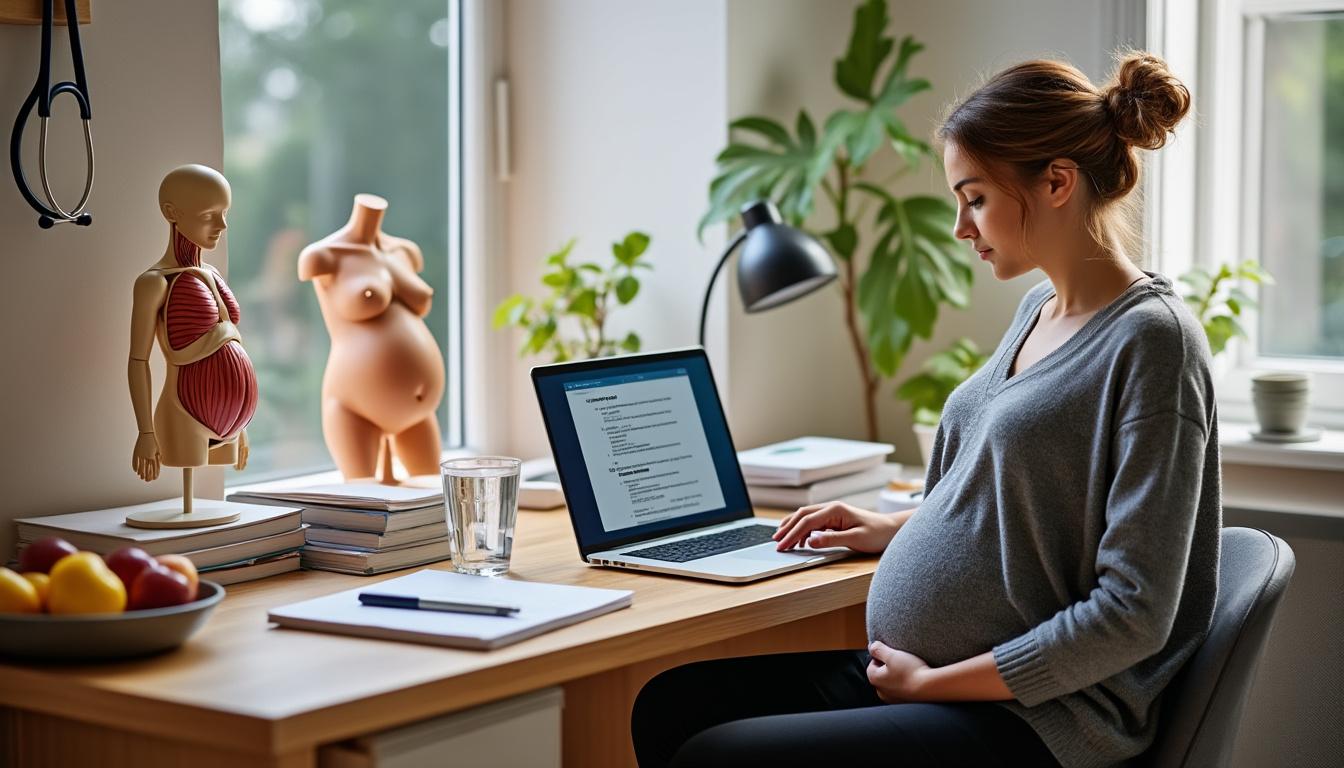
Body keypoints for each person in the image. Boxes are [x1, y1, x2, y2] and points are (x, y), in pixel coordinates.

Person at [632, 52, 1219, 768]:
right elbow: (1012, 499)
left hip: (1039, 716)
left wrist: (937, 682)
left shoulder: (1155, 343)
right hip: (935, 682)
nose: (959, 227)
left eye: (973, 198)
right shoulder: (1039, 309)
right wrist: (889, 527)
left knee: (720, 754)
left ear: (1057, 182)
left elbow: (1134, 611)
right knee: (670, 706)